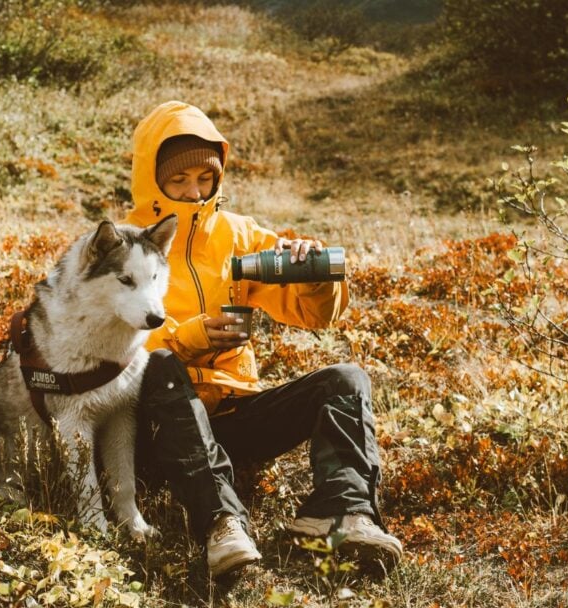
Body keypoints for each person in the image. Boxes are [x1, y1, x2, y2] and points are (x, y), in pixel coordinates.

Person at [125, 101, 402, 578]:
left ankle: (341, 512)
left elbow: (318, 316)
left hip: (232, 418)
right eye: (179, 180)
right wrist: (184, 340)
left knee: (344, 379)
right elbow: (107, 351)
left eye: (205, 179)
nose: (194, 191)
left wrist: (313, 275)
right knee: (161, 367)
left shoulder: (238, 235)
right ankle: (222, 524)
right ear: (153, 180)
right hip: (152, 432)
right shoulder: (124, 246)